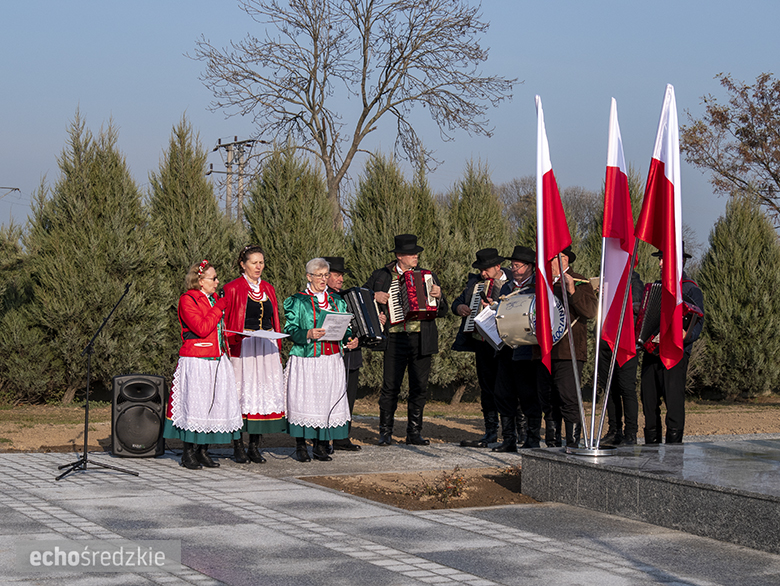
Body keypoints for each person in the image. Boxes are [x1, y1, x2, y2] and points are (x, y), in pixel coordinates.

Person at [365, 234, 447, 446]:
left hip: (422, 338)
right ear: (399, 256)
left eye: (416, 253)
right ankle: (385, 432)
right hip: (394, 338)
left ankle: (414, 433)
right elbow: (361, 298)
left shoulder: (428, 276)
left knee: (419, 387)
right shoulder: (382, 275)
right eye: (411, 254)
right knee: (390, 386)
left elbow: (443, 311)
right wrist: (375, 297)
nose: (415, 257)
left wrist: (439, 296)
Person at [164, 260, 243, 470]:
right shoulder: (188, 299)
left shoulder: (214, 299)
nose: (217, 282)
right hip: (197, 359)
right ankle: (188, 452)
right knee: (196, 403)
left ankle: (203, 450)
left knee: (213, 404)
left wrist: (239, 336)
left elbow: (220, 331)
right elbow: (201, 327)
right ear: (200, 281)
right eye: (213, 278)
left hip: (217, 359)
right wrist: (219, 308)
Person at [283, 258, 359, 462]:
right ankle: (300, 446)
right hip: (307, 357)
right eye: (320, 275)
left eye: (326, 275)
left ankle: (320, 445)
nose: (324, 279)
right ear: (309, 277)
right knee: (304, 401)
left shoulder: (337, 300)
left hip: (331, 358)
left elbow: (345, 327)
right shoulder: (297, 301)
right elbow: (289, 330)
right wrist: (307, 333)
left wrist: (350, 339)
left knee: (326, 401)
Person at [222, 245, 286, 464]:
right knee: (242, 393)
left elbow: (273, 317)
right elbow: (226, 321)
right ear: (243, 264)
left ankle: (255, 445)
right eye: (254, 262)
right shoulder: (232, 288)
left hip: (265, 346)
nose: (258, 267)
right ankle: (237, 445)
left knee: (261, 394)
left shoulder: (268, 288)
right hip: (245, 346)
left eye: (261, 262)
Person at [640, 247, 704, 444]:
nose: (660, 263)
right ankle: (651, 443)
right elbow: (646, 316)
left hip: (676, 352)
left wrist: (686, 335)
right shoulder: (655, 287)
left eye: (663, 259)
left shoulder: (690, 289)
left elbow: (698, 322)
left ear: (679, 262)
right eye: (660, 259)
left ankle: (674, 447)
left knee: (673, 401)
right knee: (648, 399)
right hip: (652, 351)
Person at [323, 256, 385, 451]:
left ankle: (342, 437)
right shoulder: (322, 299)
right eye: (336, 275)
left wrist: (377, 319)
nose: (341, 279)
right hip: (331, 355)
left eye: (341, 275)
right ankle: (323, 439)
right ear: (325, 276)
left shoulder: (350, 295)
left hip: (352, 354)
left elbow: (361, 323)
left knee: (348, 397)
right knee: (328, 397)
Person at [539, 246, 598, 448]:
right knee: (548, 399)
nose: (549, 264)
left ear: (564, 260)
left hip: (568, 351)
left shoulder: (580, 281)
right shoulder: (543, 282)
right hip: (546, 350)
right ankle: (552, 442)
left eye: (553, 259)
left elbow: (590, 312)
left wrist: (572, 290)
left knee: (568, 397)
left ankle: (573, 443)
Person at [452, 248, 510, 448]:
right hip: (481, 342)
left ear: (498, 266)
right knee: (487, 389)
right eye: (480, 269)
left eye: (485, 270)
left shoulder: (511, 282)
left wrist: (497, 307)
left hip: (505, 344)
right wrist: (459, 308)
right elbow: (457, 303)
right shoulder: (475, 284)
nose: (483, 273)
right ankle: (490, 431)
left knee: (508, 388)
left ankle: (513, 431)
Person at [491, 246, 544, 451]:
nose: (513, 269)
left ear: (529, 266)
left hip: (526, 347)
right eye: (512, 265)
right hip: (506, 346)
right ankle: (509, 439)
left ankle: (532, 438)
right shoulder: (506, 288)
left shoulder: (536, 286)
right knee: (503, 393)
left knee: (528, 393)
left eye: (517, 265)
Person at [598, 270, 644, 446]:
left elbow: (636, 306)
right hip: (605, 341)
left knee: (626, 388)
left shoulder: (634, 281)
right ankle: (613, 430)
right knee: (609, 387)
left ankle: (630, 433)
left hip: (625, 342)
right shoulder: (605, 279)